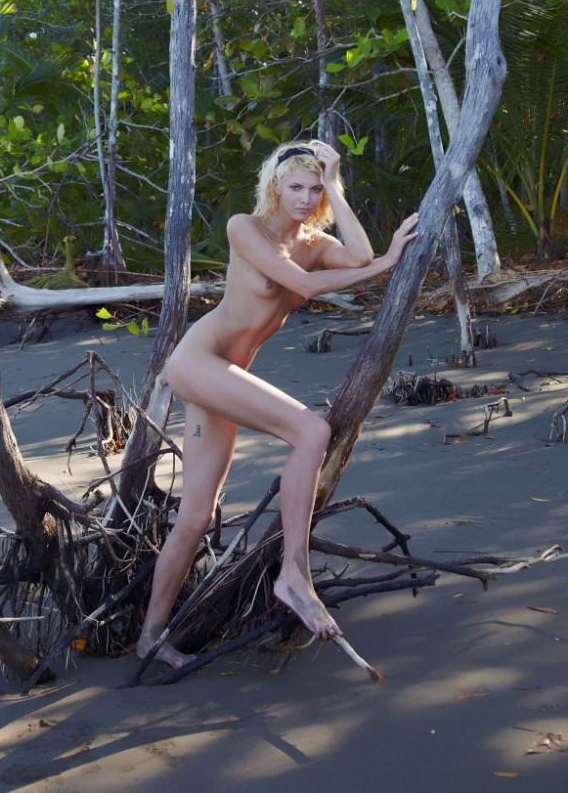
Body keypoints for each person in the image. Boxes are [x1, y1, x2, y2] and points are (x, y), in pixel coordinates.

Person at [136, 139, 419, 669]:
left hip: (226, 377)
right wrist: (386, 264)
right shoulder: (244, 228)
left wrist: (337, 185)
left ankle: (150, 637)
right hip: (198, 361)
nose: (306, 198)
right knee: (312, 432)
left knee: (196, 515)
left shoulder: (314, 242)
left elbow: (357, 256)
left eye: (314, 189)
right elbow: (304, 286)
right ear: (274, 187)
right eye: (296, 187)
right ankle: (293, 572)